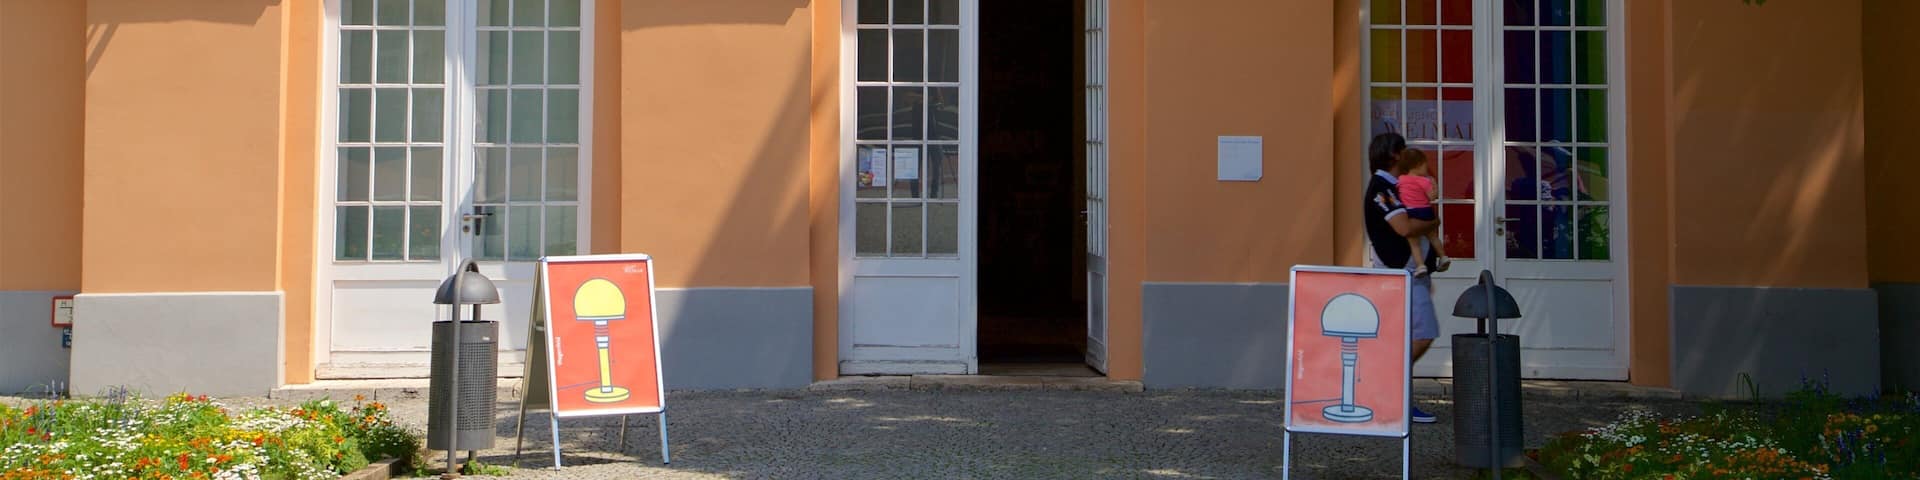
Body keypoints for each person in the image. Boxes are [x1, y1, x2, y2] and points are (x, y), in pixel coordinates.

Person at [1362, 132, 1444, 424]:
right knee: (1421, 335)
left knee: (1408, 336)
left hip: (1411, 271)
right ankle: (1386, 387)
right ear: (1395, 155)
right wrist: (1433, 222)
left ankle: (1397, 399)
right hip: (1401, 272)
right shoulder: (1382, 188)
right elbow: (1404, 227)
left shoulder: (1395, 186)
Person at [1393, 149, 1450, 277]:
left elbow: (1396, 194)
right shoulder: (1425, 181)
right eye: (1425, 165)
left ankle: (1420, 266)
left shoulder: (1401, 180)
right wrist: (1435, 186)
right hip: (1426, 211)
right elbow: (1432, 197)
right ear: (1418, 165)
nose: (1427, 168)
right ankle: (1443, 256)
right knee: (1433, 237)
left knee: (1414, 242)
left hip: (1412, 213)